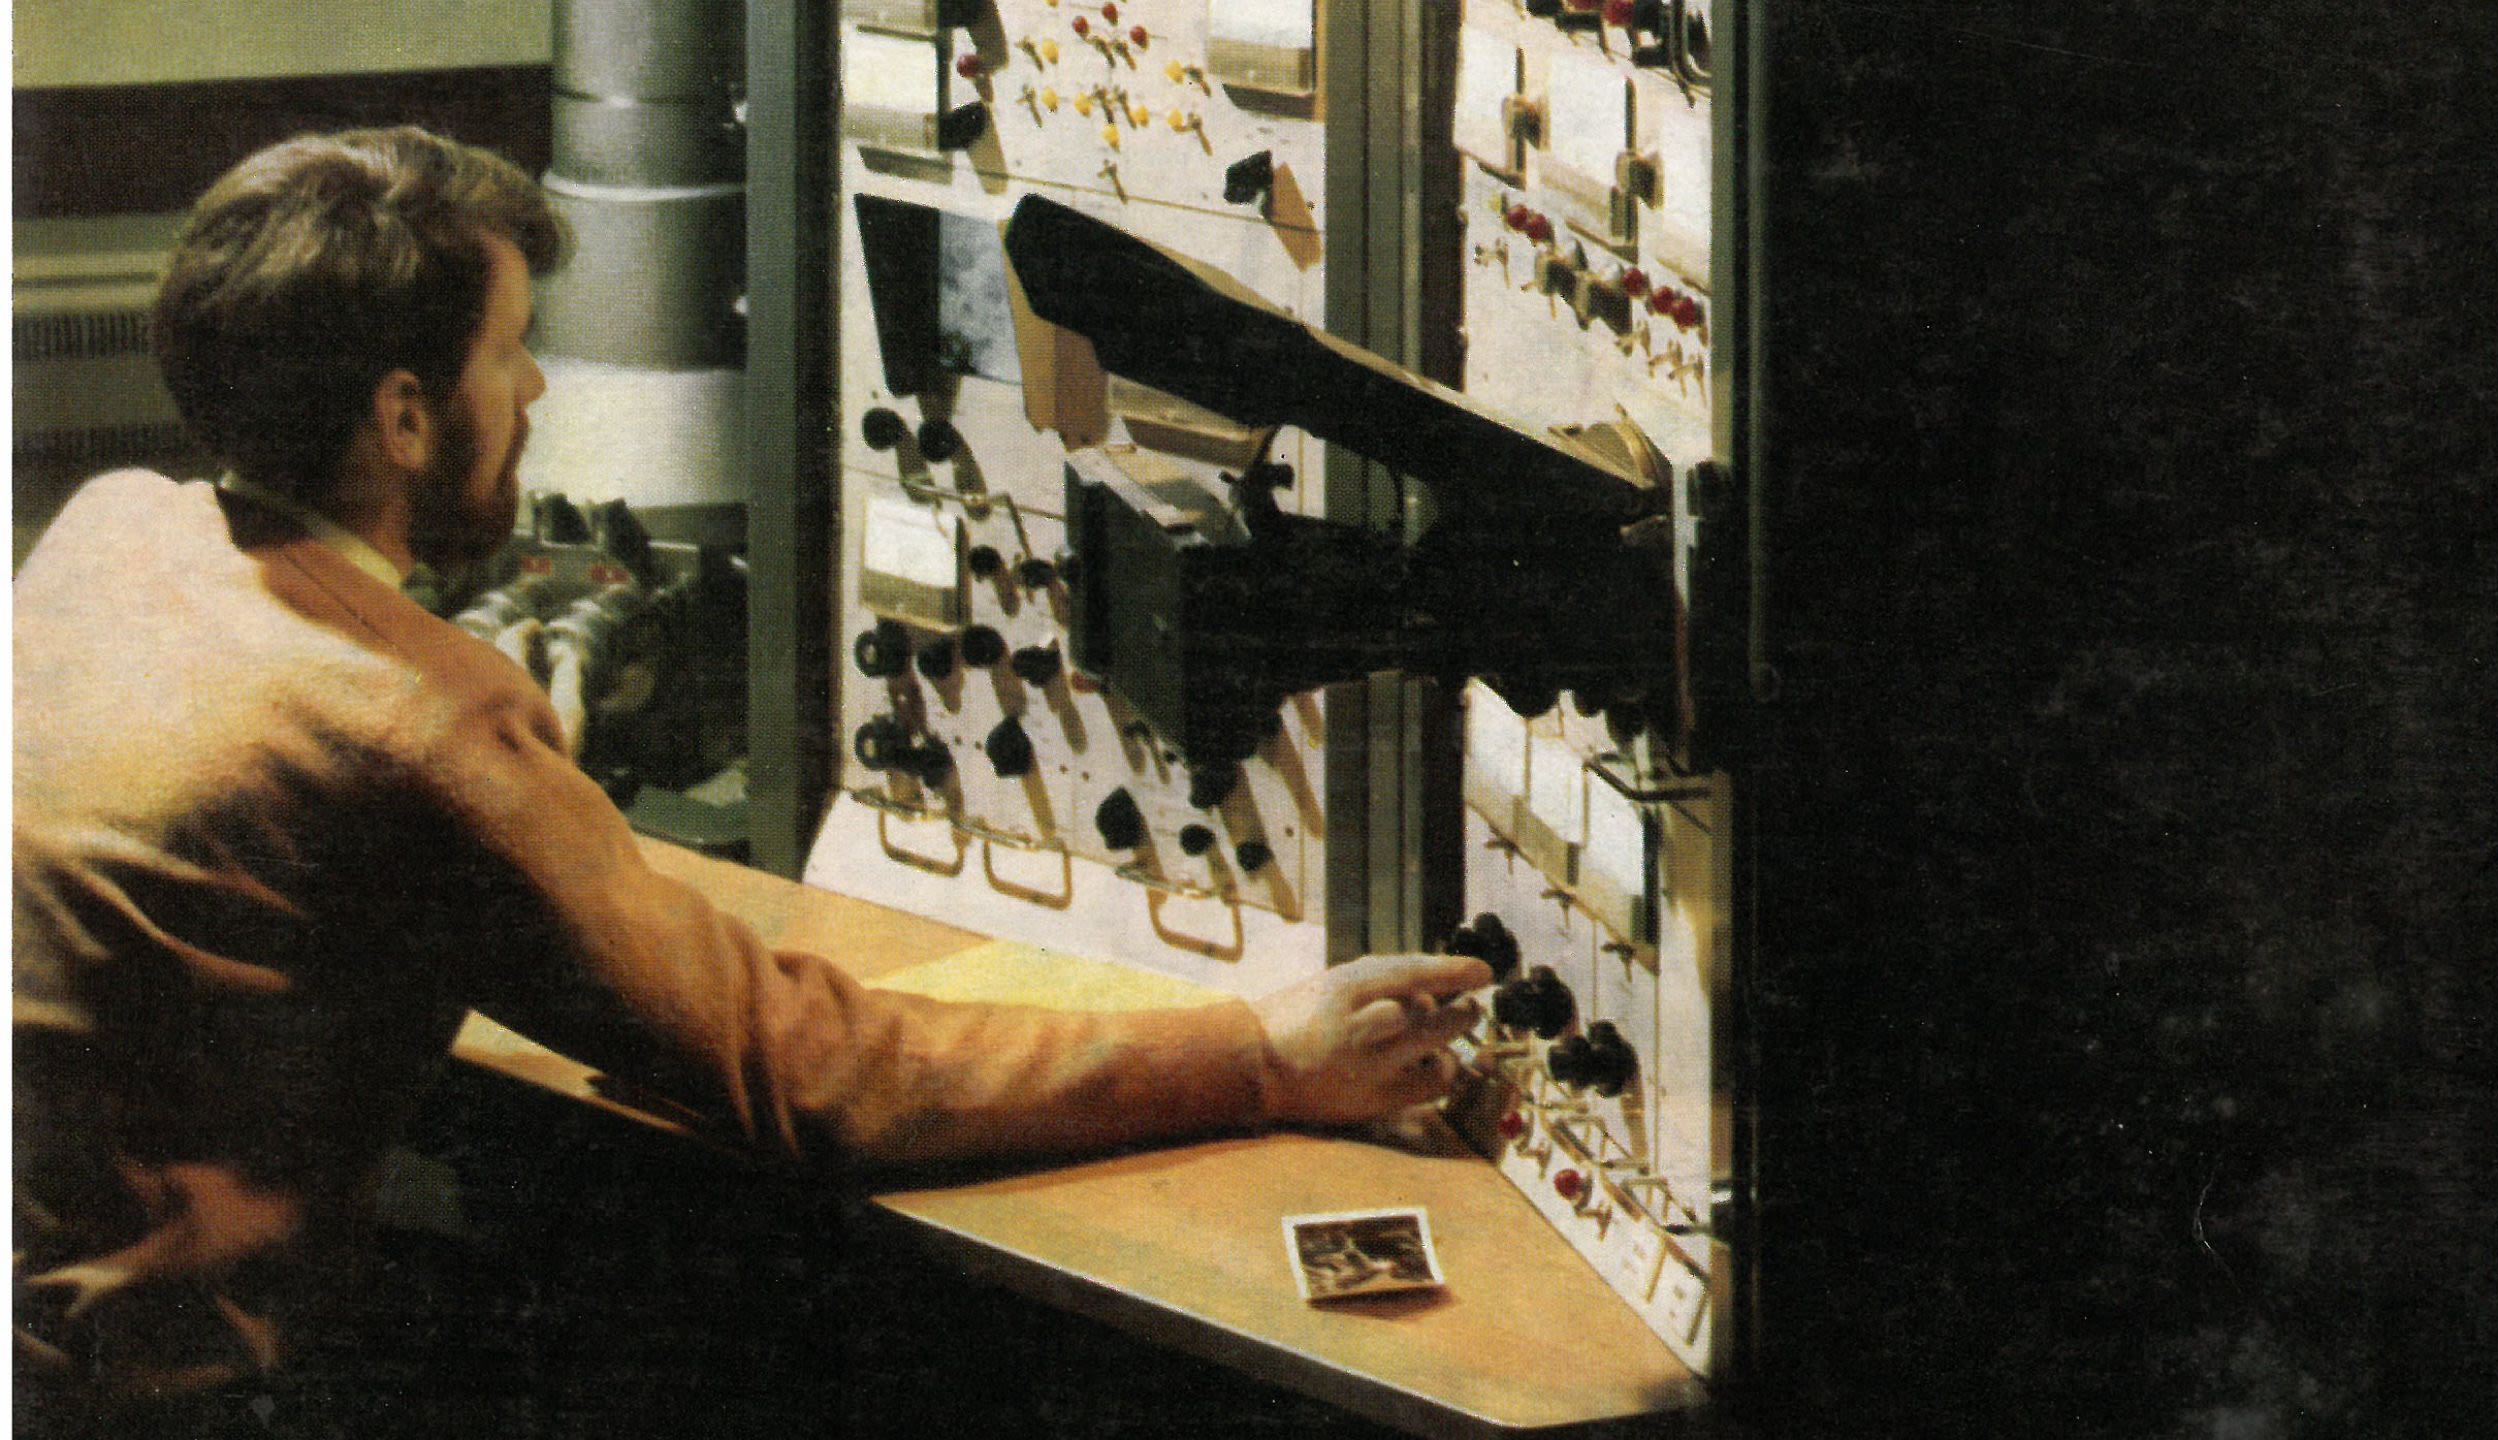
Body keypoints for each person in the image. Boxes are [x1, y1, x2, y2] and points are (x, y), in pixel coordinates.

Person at [12, 127, 1490, 1427]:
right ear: (403, 416)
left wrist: (510, 773)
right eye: (510, 349)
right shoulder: (423, 728)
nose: (532, 385)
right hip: (180, 1401)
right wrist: (1259, 1056)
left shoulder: (109, 527)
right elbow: (811, 1080)